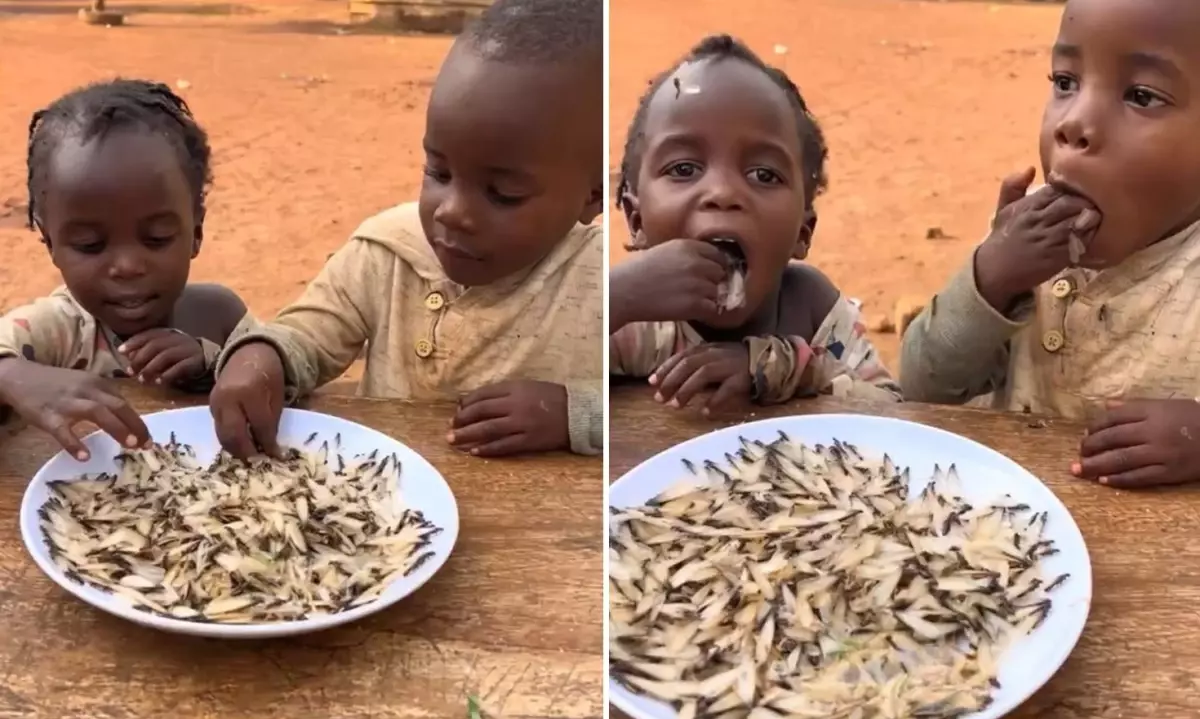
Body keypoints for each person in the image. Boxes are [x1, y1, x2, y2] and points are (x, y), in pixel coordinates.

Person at [209, 0, 603, 460]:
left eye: (503, 194)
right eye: (438, 172)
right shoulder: (386, 252)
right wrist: (260, 359)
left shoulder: (602, 285)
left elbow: (650, 394)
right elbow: (305, 337)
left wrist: (574, 413)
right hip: (387, 502)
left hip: (538, 525)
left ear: (591, 197)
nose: (452, 212)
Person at [900, 0, 1200, 489]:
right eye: (1066, 82)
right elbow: (921, 388)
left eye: (1141, 95)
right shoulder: (1023, 241)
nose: (1074, 123)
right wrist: (991, 280)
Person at [608, 35, 898, 415]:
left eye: (764, 174)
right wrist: (615, 299)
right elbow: (548, 370)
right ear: (636, 219)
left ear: (802, 232)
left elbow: (889, 407)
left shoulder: (816, 315)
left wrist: (780, 368)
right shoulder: (637, 322)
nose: (723, 192)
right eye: (683, 169)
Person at [0, 79, 248, 461]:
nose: (128, 267)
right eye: (90, 245)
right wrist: (15, 378)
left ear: (195, 232)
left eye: (157, 237)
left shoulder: (221, 316)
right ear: (51, 244)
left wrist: (212, 363)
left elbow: (280, 369)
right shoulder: (55, 331)